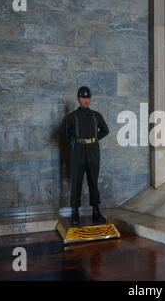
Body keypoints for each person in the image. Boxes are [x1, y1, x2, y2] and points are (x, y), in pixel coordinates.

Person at [58, 86, 110, 226]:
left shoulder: (96, 116)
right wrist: (73, 139)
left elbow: (106, 130)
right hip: (78, 152)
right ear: (78, 99)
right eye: (83, 98)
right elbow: (62, 132)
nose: (86, 100)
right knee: (76, 183)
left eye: (88, 97)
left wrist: (94, 138)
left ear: (90, 99)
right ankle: (75, 213)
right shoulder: (71, 117)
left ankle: (96, 211)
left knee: (93, 183)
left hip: (93, 151)